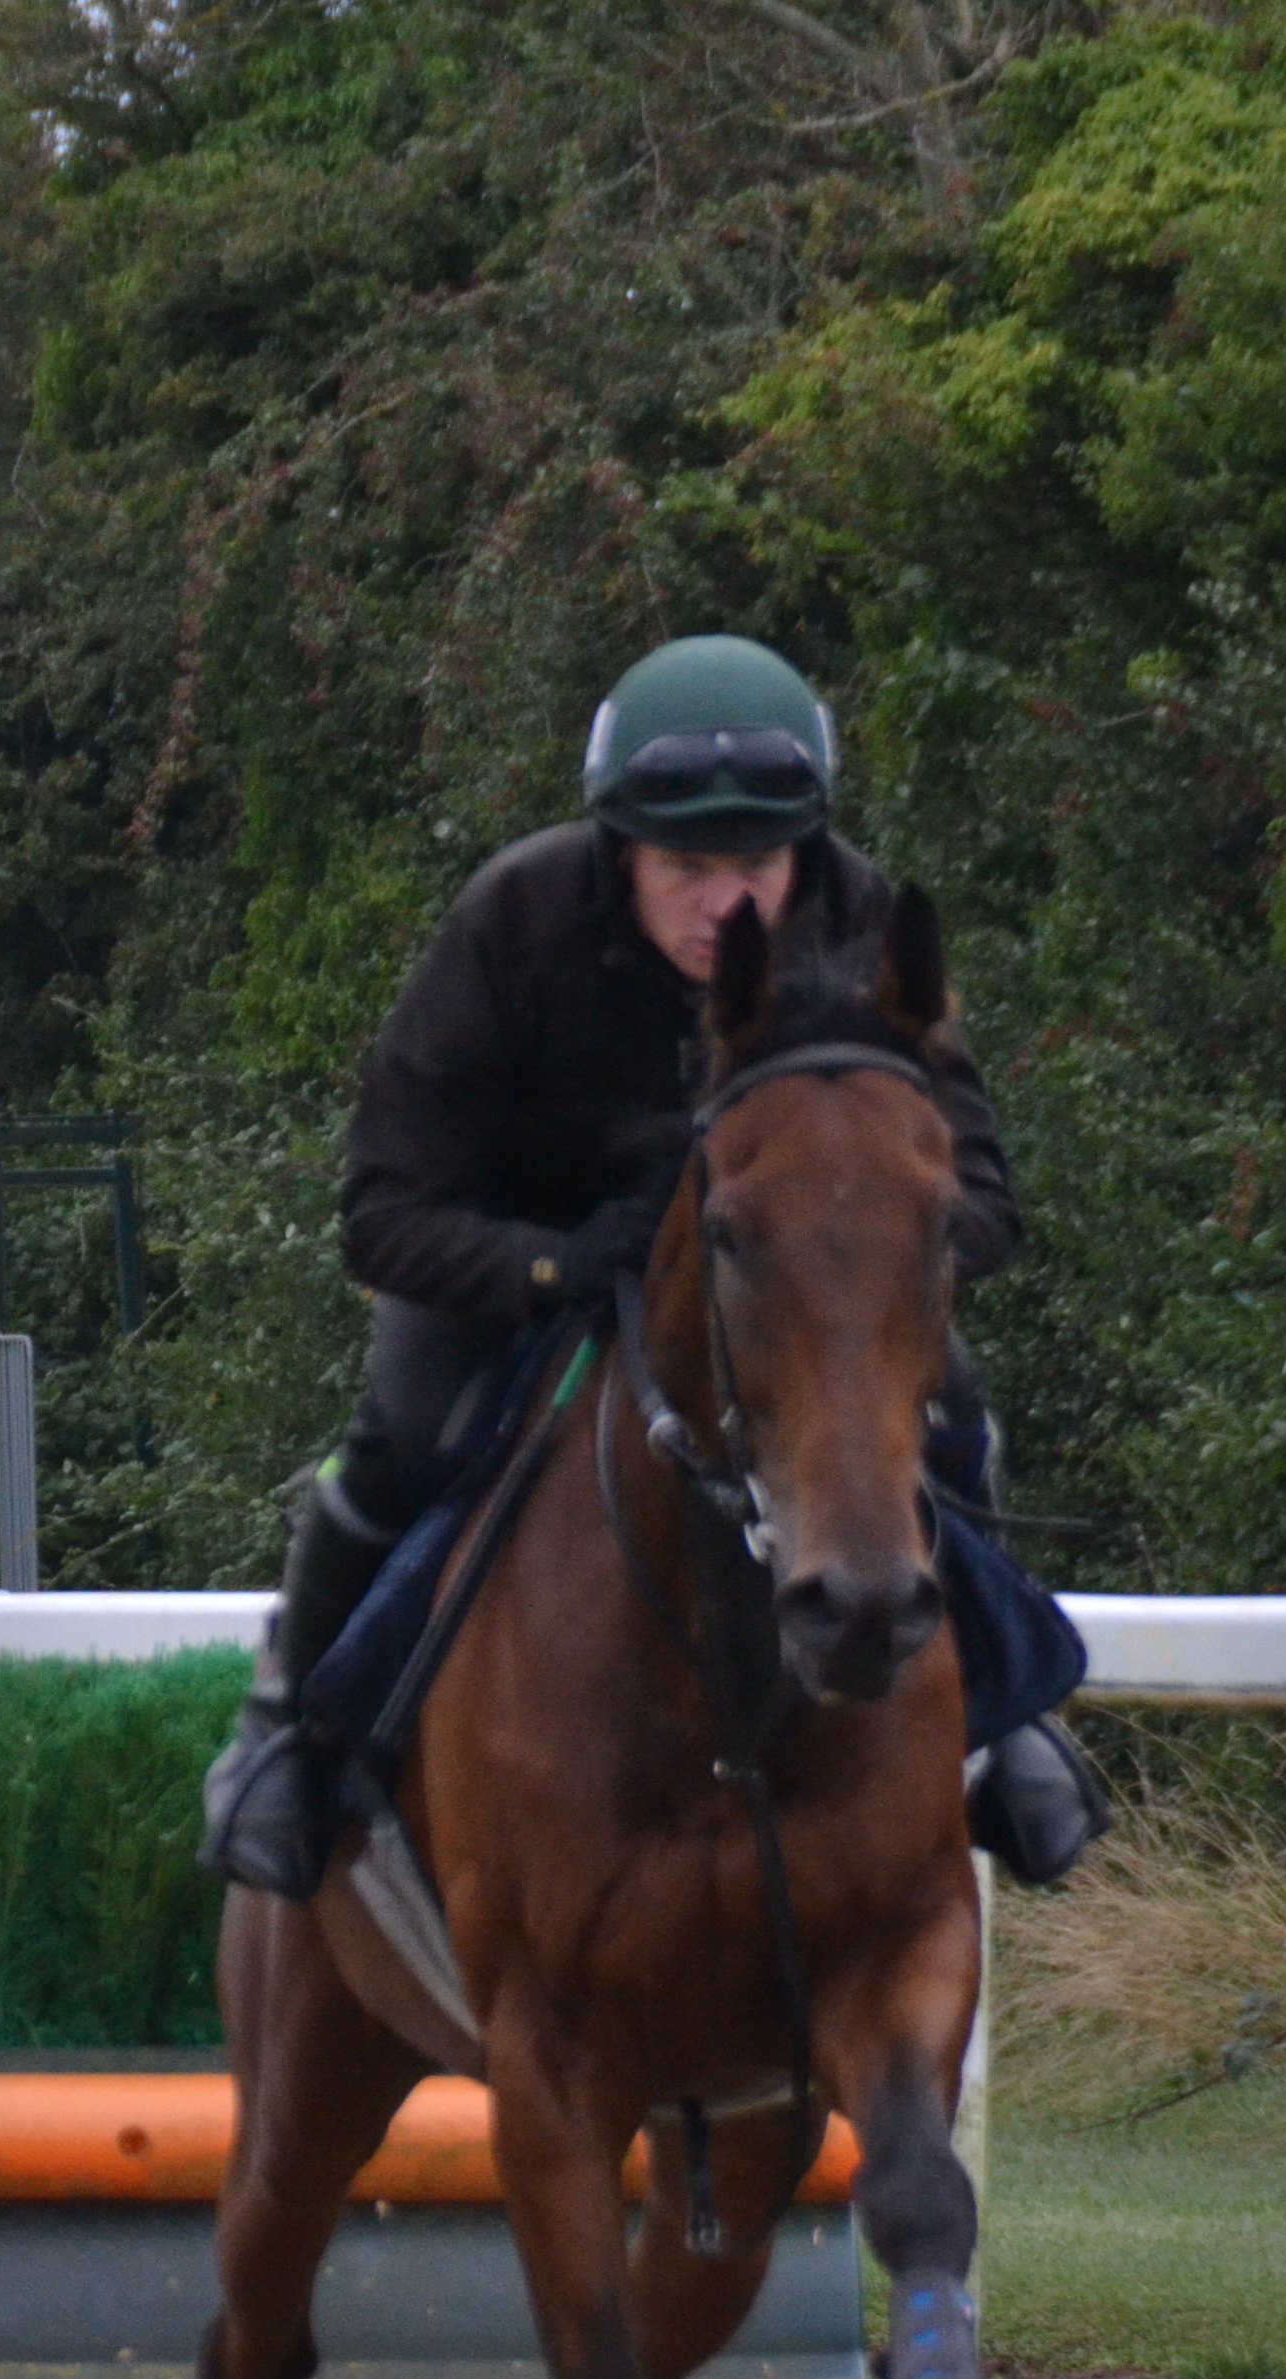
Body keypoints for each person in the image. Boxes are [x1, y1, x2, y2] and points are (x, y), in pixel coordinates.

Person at [199, 635, 1108, 1898]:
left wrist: (853, 1256)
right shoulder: (512, 920)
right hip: (520, 1259)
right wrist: (552, 1265)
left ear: (808, 851)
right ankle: (293, 1734)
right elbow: (381, 1210)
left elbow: (986, 1196)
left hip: (773, 1284)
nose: (725, 906)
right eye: (686, 868)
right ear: (620, 847)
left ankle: (1006, 1722)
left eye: (757, 866)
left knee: (956, 1417)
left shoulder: (860, 917)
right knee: (397, 1437)